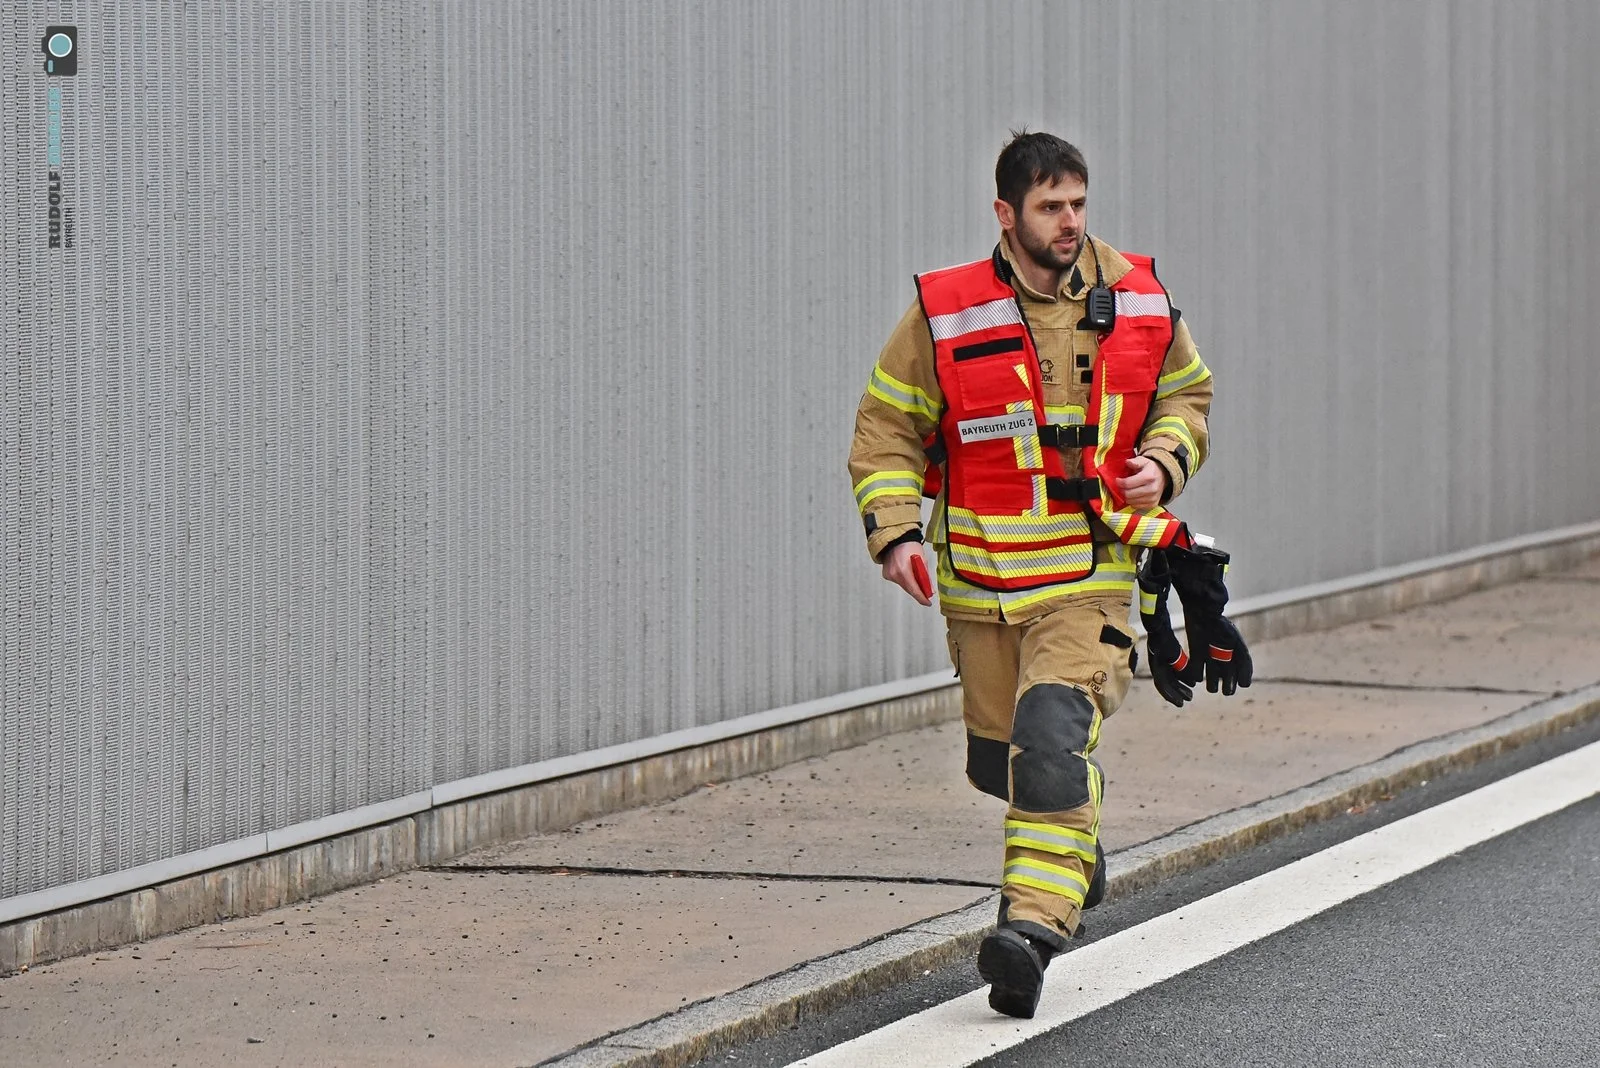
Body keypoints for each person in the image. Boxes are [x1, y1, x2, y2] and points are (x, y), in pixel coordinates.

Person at [846, 130, 1216, 1019]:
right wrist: (896, 532)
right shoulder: (947, 310)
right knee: (1000, 768)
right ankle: (1072, 844)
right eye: (1051, 207)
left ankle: (1030, 934)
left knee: (1051, 744)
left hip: (1089, 578)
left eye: (1079, 204)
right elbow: (888, 426)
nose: (1071, 222)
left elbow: (1187, 394)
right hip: (979, 589)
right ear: (1007, 215)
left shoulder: (1137, 297)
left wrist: (1162, 464)